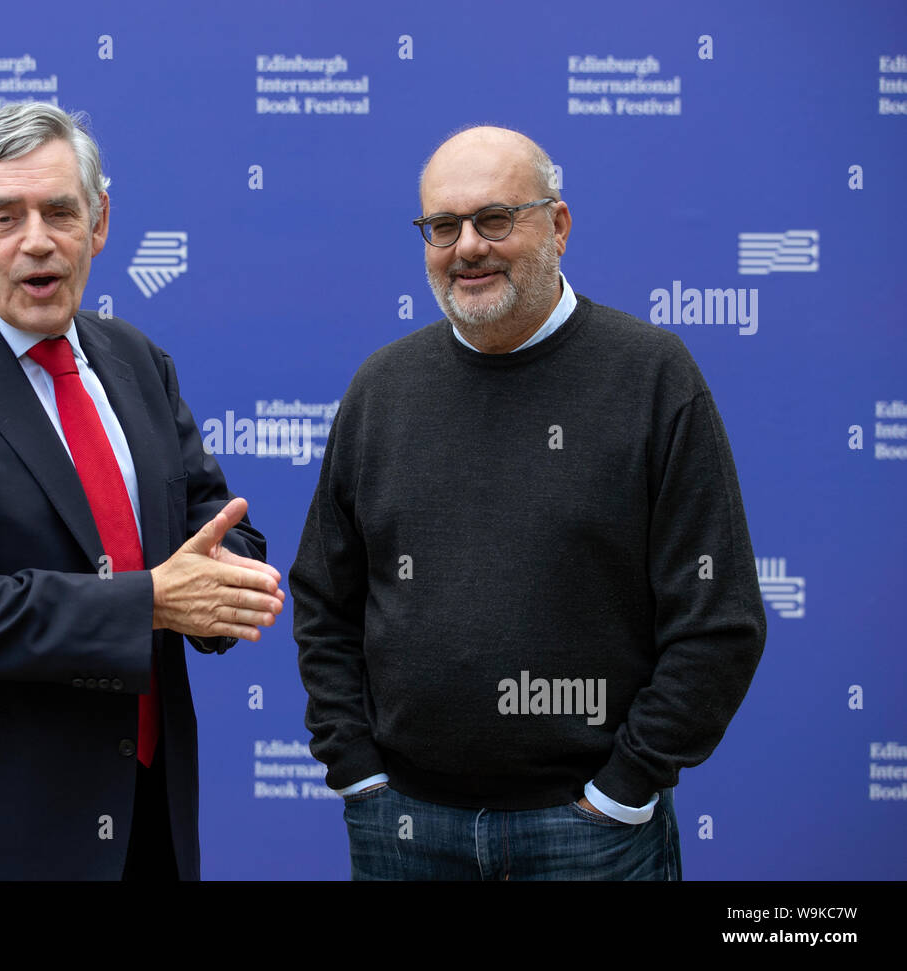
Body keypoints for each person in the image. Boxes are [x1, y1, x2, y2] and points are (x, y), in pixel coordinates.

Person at [291, 126, 766, 880]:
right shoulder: (382, 389)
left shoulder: (651, 377)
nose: (467, 246)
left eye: (495, 218)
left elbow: (720, 620)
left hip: (589, 834)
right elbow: (324, 599)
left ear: (560, 226)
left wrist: (623, 791)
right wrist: (357, 771)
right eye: (442, 227)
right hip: (404, 827)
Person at [0, 101, 284, 880]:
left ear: (99, 223)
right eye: (4, 217)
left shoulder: (137, 358)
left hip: (145, 815)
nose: (36, 241)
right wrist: (151, 600)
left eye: (60, 212)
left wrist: (228, 577)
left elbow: (208, 517)